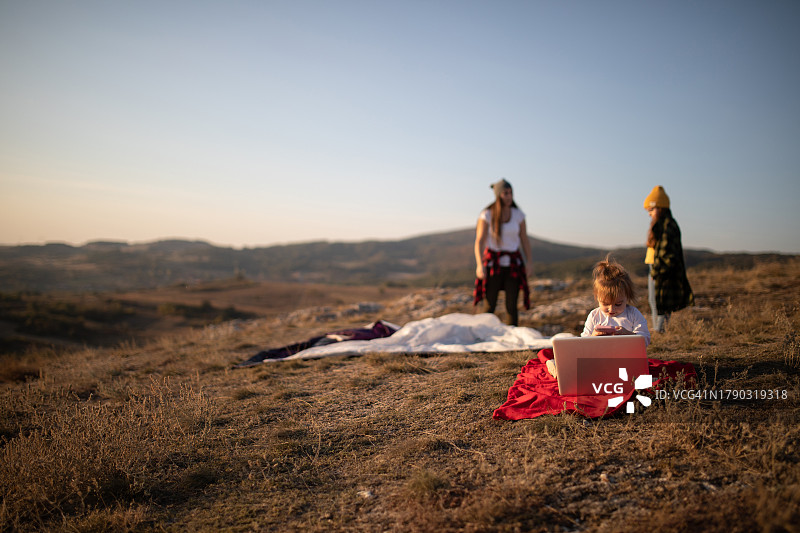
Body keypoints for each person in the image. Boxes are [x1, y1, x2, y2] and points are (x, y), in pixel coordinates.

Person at [546, 256, 650, 378]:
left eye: (618, 304)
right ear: (597, 298)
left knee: (633, 371)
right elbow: (582, 344)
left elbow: (645, 340)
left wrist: (628, 334)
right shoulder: (594, 315)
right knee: (582, 365)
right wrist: (593, 337)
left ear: (627, 296)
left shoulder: (633, 314)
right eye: (605, 304)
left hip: (626, 360)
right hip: (599, 361)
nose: (611, 309)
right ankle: (558, 368)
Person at [473, 178, 532, 326]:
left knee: (511, 305)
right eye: (505, 193)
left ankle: (512, 336)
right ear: (498, 194)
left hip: (513, 264)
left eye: (510, 193)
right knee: (489, 304)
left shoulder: (518, 215)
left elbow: (524, 240)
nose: (509, 196)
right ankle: (483, 333)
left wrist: (529, 262)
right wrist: (480, 265)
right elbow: (479, 241)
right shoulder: (487, 214)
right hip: (494, 264)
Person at [643, 185, 694, 333]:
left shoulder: (667, 226)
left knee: (660, 302)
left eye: (651, 210)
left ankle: (660, 332)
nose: (649, 214)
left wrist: (656, 272)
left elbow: (667, 255)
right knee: (654, 301)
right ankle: (658, 332)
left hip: (660, 270)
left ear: (659, 208)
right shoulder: (662, 225)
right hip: (655, 268)